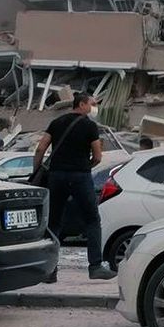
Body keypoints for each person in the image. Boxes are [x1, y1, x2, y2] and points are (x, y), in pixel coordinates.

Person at [34, 93, 115, 281]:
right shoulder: (89, 125)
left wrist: (37, 170)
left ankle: (50, 270)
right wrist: (86, 166)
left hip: (57, 176)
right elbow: (97, 156)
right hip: (80, 176)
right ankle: (95, 267)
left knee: (53, 222)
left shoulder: (56, 122)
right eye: (92, 104)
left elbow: (41, 148)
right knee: (92, 220)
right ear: (82, 104)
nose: (93, 108)